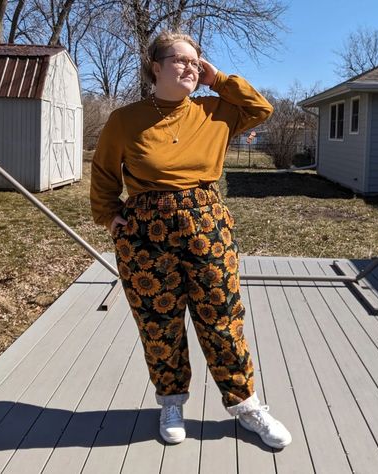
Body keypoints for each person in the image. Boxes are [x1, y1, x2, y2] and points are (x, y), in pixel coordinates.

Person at [90, 30, 292, 449]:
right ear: (156, 67)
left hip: (207, 228)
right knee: (158, 322)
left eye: (195, 61)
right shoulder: (125, 119)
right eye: (180, 60)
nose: (190, 67)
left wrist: (218, 79)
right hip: (145, 234)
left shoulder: (215, 111)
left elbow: (262, 108)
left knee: (222, 317)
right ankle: (171, 402)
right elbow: (105, 172)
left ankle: (246, 404)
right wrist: (108, 215)